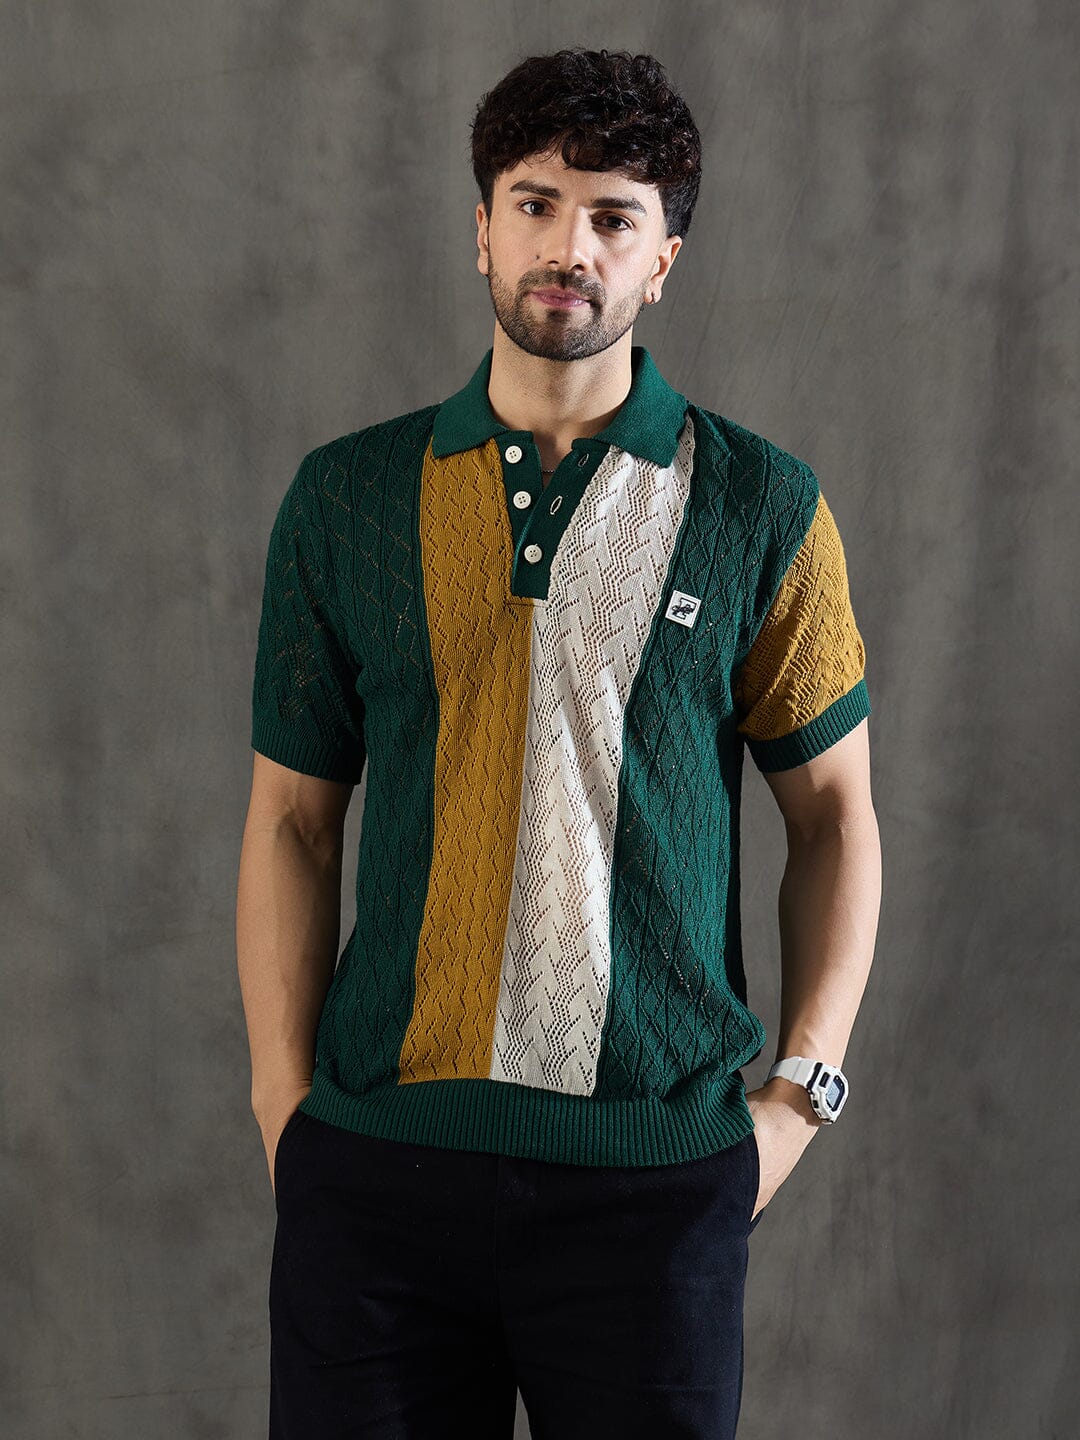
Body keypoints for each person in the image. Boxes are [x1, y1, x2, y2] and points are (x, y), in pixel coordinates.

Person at [236, 45, 881, 1440]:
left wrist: (797, 1101)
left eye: (612, 218)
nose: (567, 248)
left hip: (656, 1184)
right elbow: (292, 821)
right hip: (377, 1179)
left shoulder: (763, 506)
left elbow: (835, 818)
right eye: (534, 204)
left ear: (664, 261)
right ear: (482, 228)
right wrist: (288, 1109)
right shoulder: (347, 498)